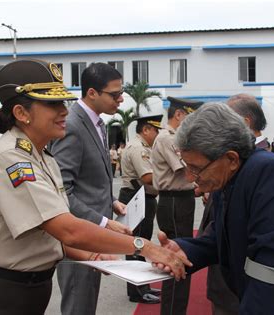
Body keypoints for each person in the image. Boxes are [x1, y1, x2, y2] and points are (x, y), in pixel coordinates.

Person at [0, 59, 190, 315]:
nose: (64, 111)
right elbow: (65, 228)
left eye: (63, 102)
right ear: (21, 113)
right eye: (52, 104)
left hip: (26, 290)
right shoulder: (10, 158)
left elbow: (45, 231)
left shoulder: (42, 157)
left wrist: (91, 255)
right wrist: (145, 247)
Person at [155, 102, 274, 314]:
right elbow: (224, 238)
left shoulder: (268, 172)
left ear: (231, 158)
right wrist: (186, 249)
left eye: (196, 168)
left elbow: (270, 267)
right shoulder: (228, 176)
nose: (190, 177)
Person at [48, 62, 131, 315]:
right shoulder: (72, 125)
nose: (121, 98)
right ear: (92, 93)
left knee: (86, 302)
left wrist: (112, 200)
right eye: (115, 94)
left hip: (92, 231)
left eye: (121, 92)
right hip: (79, 236)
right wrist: (104, 222)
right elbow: (62, 191)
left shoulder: (96, 122)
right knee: (79, 304)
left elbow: (91, 176)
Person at [198, 93, 269, 315]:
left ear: (245, 123)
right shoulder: (234, 159)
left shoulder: (263, 165)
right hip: (223, 262)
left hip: (241, 278)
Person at [152, 96, 202, 315]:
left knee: (183, 255)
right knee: (177, 258)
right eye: (190, 117)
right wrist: (207, 184)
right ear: (179, 114)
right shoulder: (166, 138)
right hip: (173, 201)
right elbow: (185, 170)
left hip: (182, 199)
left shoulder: (176, 138)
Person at [118, 114, 163, 304]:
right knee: (136, 246)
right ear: (145, 130)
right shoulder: (138, 148)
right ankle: (137, 291)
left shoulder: (144, 147)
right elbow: (146, 177)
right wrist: (170, 182)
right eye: (155, 130)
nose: (158, 134)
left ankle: (142, 286)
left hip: (143, 197)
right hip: (137, 197)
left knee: (140, 243)